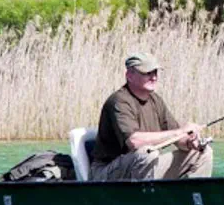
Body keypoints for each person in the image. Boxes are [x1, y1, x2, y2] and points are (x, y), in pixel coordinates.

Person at [90, 51, 214, 182]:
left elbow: (178, 139)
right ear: (129, 75)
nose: (154, 77)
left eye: (155, 72)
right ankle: (146, 200)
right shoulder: (119, 101)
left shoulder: (156, 100)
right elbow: (134, 142)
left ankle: (192, 198)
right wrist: (180, 131)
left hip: (144, 166)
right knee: (147, 153)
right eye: (147, 73)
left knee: (203, 153)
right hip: (105, 173)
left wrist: (190, 142)